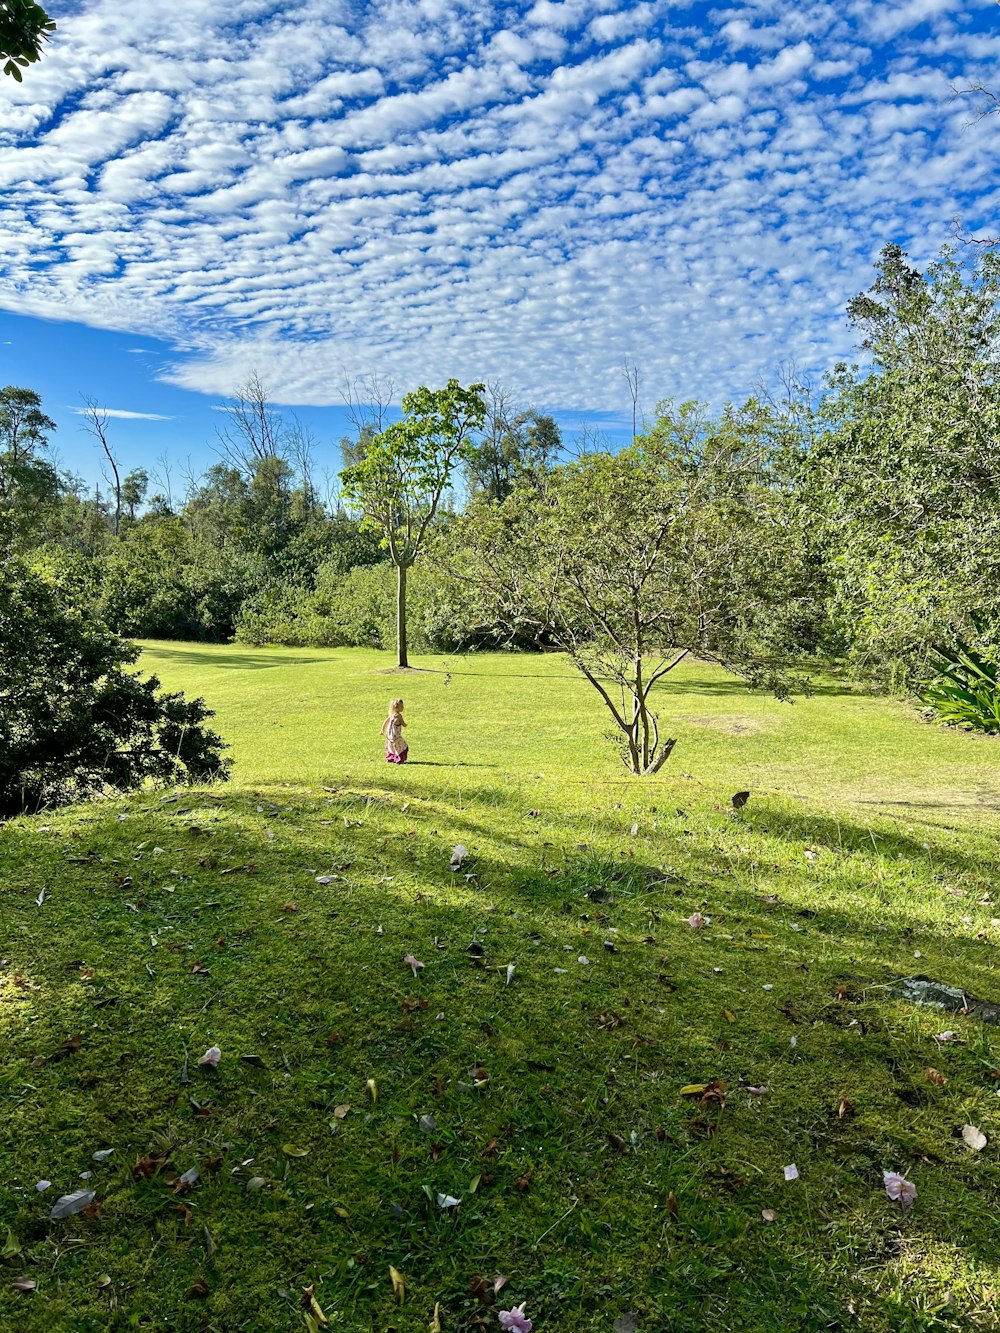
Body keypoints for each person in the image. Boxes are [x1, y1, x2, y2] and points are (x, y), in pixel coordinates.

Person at [380, 697, 408, 764]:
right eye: (401, 706)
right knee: (402, 746)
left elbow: (385, 722)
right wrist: (405, 725)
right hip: (396, 736)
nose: (403, 708)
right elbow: (403, 723)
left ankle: (391, 758)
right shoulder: (399, 716)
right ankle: (399, 759)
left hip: (390, 735)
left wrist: (382, 730)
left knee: (392, 747)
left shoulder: (391, 715)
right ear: (396, 708)